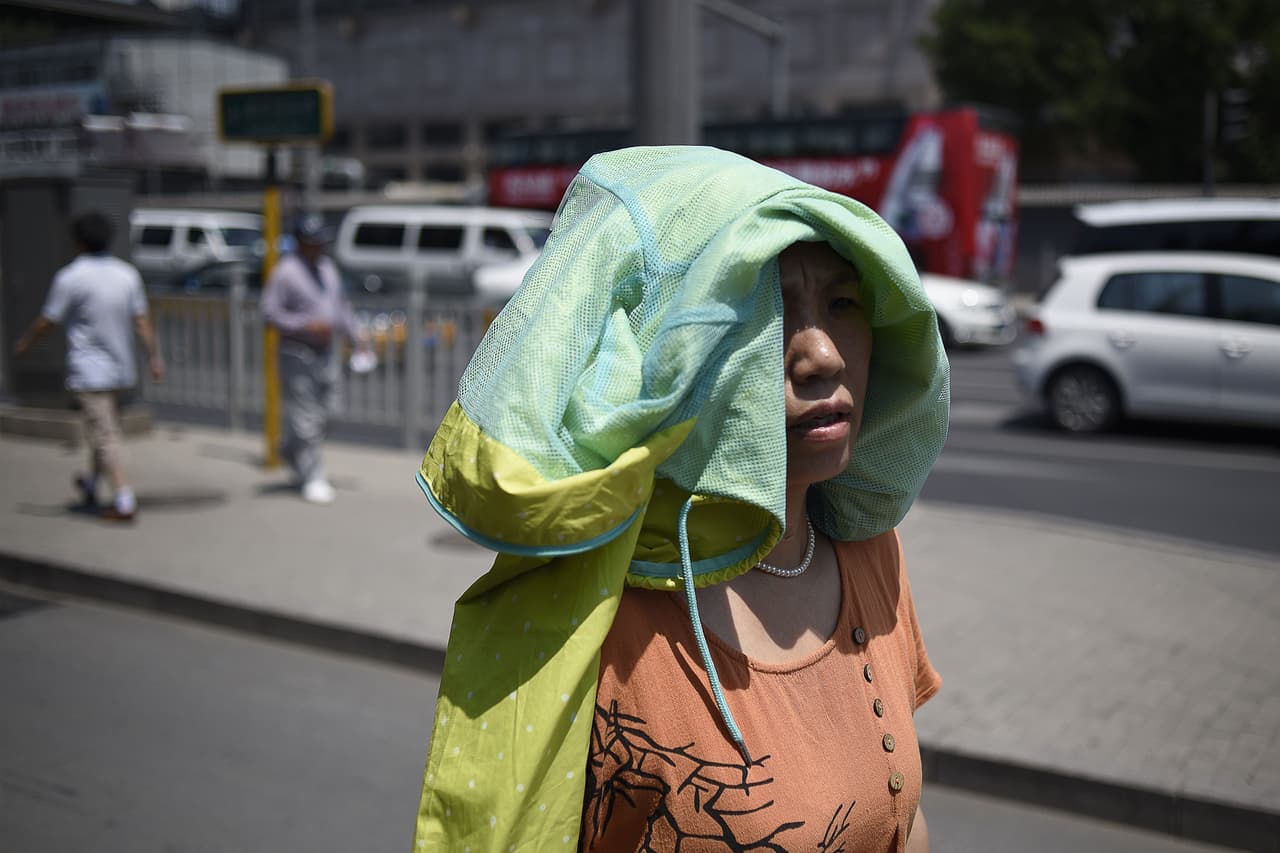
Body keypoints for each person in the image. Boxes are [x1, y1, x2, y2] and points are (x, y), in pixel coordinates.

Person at [409, 147, 949, 852]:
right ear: (665, 348)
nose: (823, 354)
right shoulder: (585, 617)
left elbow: (905, 818)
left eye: (843, 302)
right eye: (765, 308)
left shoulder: (869, 549)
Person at [13, 210, 165, 522]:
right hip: (122, 369)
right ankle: (93, 483)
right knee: (105, 430)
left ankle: (124, 499)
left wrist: (25, 344)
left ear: (78, 241)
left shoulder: (71, 277)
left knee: (105, 435)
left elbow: (48, 320)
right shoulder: (127, 274)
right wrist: (154, 357)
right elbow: (142, 321)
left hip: (89, 369)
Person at [260, 213, 366, 504]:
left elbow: (341, 306)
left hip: (327, 351)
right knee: (306, 418)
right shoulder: (285, 272)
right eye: (313, 242)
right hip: (298, 352)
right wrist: (305, 325)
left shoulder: (326, 267)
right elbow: (269, 313)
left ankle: (291, 447)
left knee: (330, 412)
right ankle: (312, 475)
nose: (319, 247)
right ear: (300, 243)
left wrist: (357, 339)